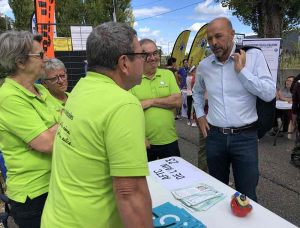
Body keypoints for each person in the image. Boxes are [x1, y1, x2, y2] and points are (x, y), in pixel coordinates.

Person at [41, 22, 152, 228]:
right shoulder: (122, 103)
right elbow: (130, 193)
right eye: (141, 55)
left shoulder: (81, 88)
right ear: (124, 63)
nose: (144, 61)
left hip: (58, 218)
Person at [193, 17, 275, 201]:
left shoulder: (253, 57)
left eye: (219, 36)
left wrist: (242, 72)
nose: (214, 43)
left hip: (245, 138)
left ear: (232, 34)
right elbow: (197, 93)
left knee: (247, 194)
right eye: (210, 39)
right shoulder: (205, 66)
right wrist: (200, 115)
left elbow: (269, 93)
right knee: (216, 190)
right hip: (214, 137)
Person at [0, 31, 62, 228]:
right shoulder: (9, 97)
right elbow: (47, 143)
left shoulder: (41, 89)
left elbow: (69, 118)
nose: (45, 60)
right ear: (20, 61)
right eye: (40, 56)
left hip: (56, 181)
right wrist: (54, 129)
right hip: (34, 193)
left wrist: (52, 128)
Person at [131, 38, 182, 162]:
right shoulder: (132, 79)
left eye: (155, 53)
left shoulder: (168, 74)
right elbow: (130, 110)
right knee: (148, 181)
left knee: (174, 179)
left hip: (170, 140)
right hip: (144, 142)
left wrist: (150, 102)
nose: (153, 58)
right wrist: (140, 137)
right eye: (147, 55)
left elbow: (177, 102)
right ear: (139, 57)